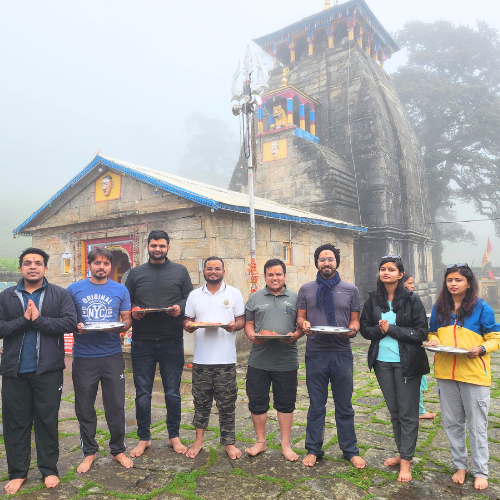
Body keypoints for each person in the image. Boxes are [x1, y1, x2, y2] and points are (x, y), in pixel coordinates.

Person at [0, 248, 77, 495]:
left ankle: (48, 468)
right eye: (27, 263)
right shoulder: (6, 296)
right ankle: (18, 472)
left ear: (45, 268)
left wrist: (38, 320)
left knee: (46, 420)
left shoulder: (59, 294)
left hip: (48, 370)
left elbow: (68, 322)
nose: (33, 266)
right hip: (14, 371)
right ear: (21, 268)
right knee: (16, 422)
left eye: (38, 263)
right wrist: (24, 320)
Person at [427, 264, 500, 490]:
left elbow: (495, 338)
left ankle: (480, 470)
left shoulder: (482, 308)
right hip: (446, 374)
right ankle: (460, 465)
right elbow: (433, 333)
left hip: (474, 374)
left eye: (458, 280)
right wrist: (434, 342)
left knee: (477, 426)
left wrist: (481, 348)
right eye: (449, 280)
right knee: (452, 424)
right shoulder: (440, 307)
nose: (453, 284)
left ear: (469, 283)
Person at [360, 256, 429, 483]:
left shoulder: (412, 299)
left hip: (407, 362)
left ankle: (407, 462)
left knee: (408, 413)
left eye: (391, 269)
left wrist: (391, 330)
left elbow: (421, 333)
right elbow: (364, 328)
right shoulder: (373, 300)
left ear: (400, 275)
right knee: (395, 412)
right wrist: (379, 331)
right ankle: (402, 452)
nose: (386, 272)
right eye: (382, 269)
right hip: (382, 362)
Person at [125, 230, 193, 457]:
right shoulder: (135, 273)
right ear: (147, 247)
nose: (158, 249)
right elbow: (128, 300)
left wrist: (179, 308)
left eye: (162, 246)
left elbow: (188, 298)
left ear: (168, 248)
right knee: (142, 393)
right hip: (142, 341)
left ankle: (174, 436)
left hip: (171, 340)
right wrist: (135, 310)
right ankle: (144, 438)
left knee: (173, 392)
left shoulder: (180, 271)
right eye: (154, 245)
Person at [298, 243, 365, 469]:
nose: (326, 263)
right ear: (316, 263)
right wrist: (304, 324)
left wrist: (353, 329)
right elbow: (300, 317)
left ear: (337, 262)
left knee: (344, 405)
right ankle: (313, 449)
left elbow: (355, 319)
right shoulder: (306, 289)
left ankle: (350, 450)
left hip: (341, 352)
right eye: (322, 259)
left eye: (330, 259)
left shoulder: (350, 290)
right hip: (315, 352)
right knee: (316, 405)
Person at [67, 247, 133, 473]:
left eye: (105, 263)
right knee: (84, 406)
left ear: (110, 266)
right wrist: (76, 326)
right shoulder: (74, 289)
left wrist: (120, 328)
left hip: (112, 355)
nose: (101, 267)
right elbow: (68, 319)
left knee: (115, 405)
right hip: (84, 356)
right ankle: (89, 452)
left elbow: (126, 320)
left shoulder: (120, 290)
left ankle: (118, 449)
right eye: (97, 263)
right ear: (89, 265)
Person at [183, 256, 246, 459]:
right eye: (209, 268)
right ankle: (198, 440)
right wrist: (188, 326)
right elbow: (188, 321)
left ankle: (229, 443)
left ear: (223, 271)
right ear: (203, 272)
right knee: (201, 403)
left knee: (227, 403)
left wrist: (233, 326)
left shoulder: (234, 294)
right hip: (201, 360)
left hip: (225, 360)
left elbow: (241, 320)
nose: (213, 272)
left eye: (217, 268)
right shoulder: (194, 296)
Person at [244, 258, 303, 461]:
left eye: (278, 274)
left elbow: (301, 325)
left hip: (286, 361)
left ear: (285, 276)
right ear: (265, 276)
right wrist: (252, 336)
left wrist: (295, 335)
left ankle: (285, 445)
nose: (274, 278)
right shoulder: (255, 298)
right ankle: (261, 442)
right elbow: (249, 323)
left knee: (285, 403)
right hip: (259, 360)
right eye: (270, 274)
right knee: (257, 402)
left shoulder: (296, 298)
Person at [403, 273, 436, 420]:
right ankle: (419, 410)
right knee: (416, 383)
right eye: (409, 283)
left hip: (415, 346)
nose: (412, 286)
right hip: (407, 347)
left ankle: (418, 408)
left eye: (413, 283)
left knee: (419, 381)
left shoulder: (414, 299)